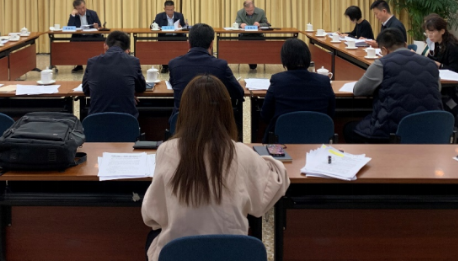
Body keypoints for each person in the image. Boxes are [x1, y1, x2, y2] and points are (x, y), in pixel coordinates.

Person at [141, 75, 289, 261]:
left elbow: (152, 215)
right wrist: (265, 159)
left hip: (180, 254)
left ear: (185, 111)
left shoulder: (167, 150)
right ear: (227, 112)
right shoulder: (241, 153)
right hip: (232, 254)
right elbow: (276, 182)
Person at [343, 28, 442, 143]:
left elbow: (358, 90)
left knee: (349, 129)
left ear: (384, 50)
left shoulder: (382, 64)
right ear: (405, 44)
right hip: (431, 128)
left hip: (392, 129)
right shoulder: (431, 64)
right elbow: (438, 89)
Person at [260, 38, 335, 142]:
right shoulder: (324, 81)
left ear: (284, 59)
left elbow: (265, 115)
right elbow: (331, 114)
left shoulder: (278, 80)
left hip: (283, 139)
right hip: (317, 140)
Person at [167, 23, 244, 117]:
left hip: (182, 121)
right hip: (213, 121)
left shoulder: (174, 64)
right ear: (211, 44)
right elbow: (238, 92)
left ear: (189, 43)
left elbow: (173, 84)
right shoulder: (220, 66)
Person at [82, 30, 146, 118]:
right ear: (127, 50)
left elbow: (86, 90)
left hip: (96, 121)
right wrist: (127, 93)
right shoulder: (133, 61)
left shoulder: (92, 62)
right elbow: (141, 88)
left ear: (105, 46)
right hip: (127, 121)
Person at [67, 0, 103, 72]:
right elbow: (69, 28)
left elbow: (99, 26)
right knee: (74, 43)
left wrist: (97, 26)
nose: (82, 10)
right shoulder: (74, 16)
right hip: (79, 36)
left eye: (83, 7)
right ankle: (79, 65)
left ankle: (97, 64)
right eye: (79, 9)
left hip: (92, 36)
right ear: (75, 9)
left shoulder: (93, 13)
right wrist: (72, 15)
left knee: (100, 42)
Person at [234, 0, 269, 70]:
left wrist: (260, 24)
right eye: (247, 11)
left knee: (257, 47)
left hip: (257, 35)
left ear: (254, 7)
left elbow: (267, 24)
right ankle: (250, 61)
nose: (250, 12)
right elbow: (236, 24)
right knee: (245, 47)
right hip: (245, 35)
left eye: (251, 10)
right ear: (244, 8)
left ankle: (253, 61)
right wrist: (240, 25)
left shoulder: (261, 12)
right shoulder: (240, 13)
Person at [152, 0, 187, 73]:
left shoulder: (179, 15)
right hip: (165, 37)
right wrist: (157, 27)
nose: (170, 12)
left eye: (171, 9)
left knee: (181, 46)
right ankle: (165, 66)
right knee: (164, 47)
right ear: (164, 9)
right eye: (168, 10)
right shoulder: (159, 16)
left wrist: (181, 27)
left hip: (177, 37)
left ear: (174, 8)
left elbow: (184, 27)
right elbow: (152, 26)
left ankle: (178, 65)